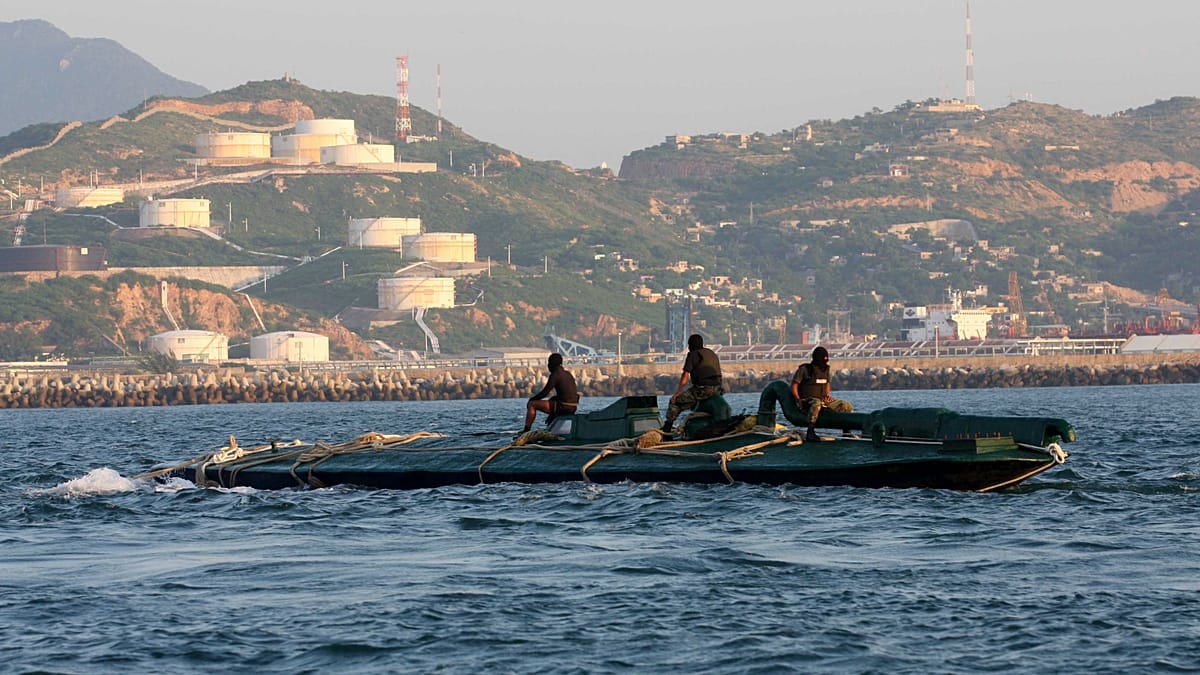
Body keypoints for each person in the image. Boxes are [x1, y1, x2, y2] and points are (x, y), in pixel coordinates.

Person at [661, 334, 723, 433]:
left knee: (675, 402)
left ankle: (667, 428)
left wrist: (677, 393)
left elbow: (685, 375)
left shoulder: (693, 355)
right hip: (718, 390)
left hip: (702, 390)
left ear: (691, 345)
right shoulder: (711, 353)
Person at [791, 346, 853, 441]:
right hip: (808, 401)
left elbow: (827, 384)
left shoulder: (826, 370)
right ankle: (810, 432)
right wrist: (798, 399)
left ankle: (846, 432)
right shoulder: (805, 369)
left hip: (823, 400)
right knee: (816, 403)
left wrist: (827, 395)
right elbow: (794, 384)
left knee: (846, 405)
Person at [522, 353, 579, 433]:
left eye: (549, 363)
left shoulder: (555, 374)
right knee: (552, 399)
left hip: (563, 407)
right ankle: (552, 426)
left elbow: (545, 392)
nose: (548, 365)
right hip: (573, 407)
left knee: (532, 404)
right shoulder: (568, 374)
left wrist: (532, 399)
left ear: (552, 364)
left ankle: (526, 431)